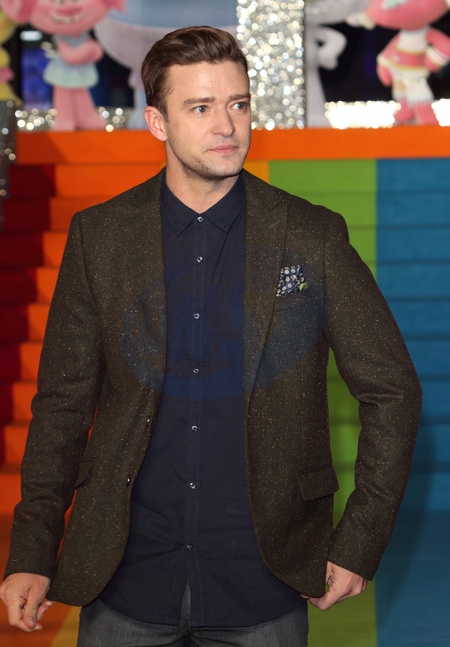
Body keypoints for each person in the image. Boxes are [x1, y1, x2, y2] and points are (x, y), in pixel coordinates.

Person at [0, 26, 421, 647]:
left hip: (264, 584)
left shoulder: (312, 236)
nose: (227, 125)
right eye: (200, 107)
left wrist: (360, 540)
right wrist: (33, 550)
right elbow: (62, 406)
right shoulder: (100, 237)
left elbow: (393, 390)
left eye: (238, 104)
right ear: (157, 122)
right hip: (125, 582)